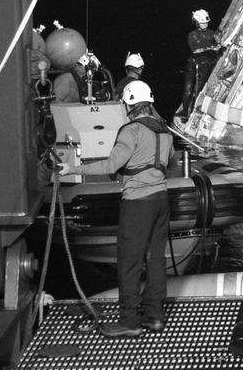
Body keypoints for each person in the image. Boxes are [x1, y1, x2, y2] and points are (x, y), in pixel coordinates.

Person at [58, 81, 174, 337]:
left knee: (130, 262)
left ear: (128, 104)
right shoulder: (164, 130)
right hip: (161, 199)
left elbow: (111, 165)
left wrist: (73, 168)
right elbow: (170, 160)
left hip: (138, 202)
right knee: (156, 258)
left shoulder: (131, 131)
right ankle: (154, 316)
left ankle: (129, 320)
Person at [179, 9, 220, 120]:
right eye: (202, 23)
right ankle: (184, 111)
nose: (205, 24)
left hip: (205, 65)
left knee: (199, 90)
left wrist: (218, 46)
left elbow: (217, 45)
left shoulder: (212, 33)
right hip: (193, 64)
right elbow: (195, 50)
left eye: (206, 22)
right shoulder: (192, 34)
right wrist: (211, 48)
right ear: (197, 23)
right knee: (188, 90)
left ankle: (194, 113)